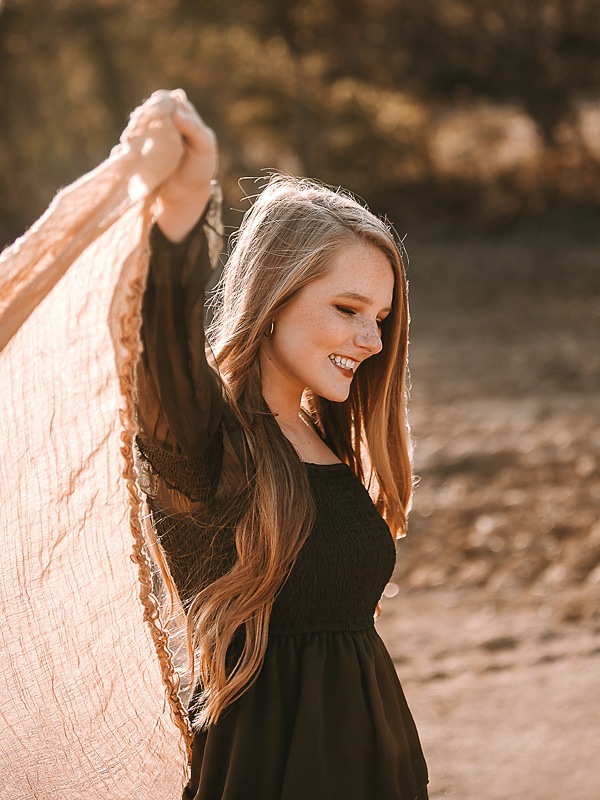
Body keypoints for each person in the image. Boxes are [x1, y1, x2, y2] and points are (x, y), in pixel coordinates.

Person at [132, 89, 429, 800]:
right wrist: (183, 200)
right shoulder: (207, 445)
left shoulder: (325, 436)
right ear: (273, 296)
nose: (372, 339)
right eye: (347, 309)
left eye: (381, 317)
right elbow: (162, 336)